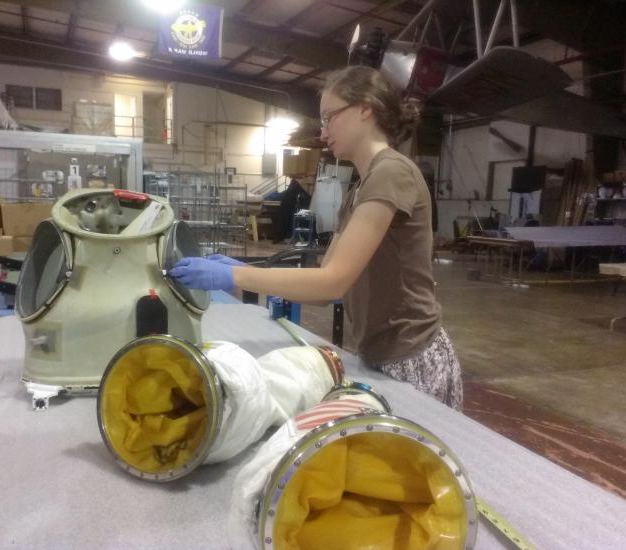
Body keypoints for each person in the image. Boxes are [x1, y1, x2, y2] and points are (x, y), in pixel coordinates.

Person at [171, 66, 463, 410]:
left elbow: (332, 283)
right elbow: (325, 282)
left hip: (411, 356)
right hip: (381, 351)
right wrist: (248, 267)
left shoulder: (391, 172)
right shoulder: (359, 188)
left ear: (365, 108)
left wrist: (234, 276)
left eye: (329, 118)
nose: (323, 134)